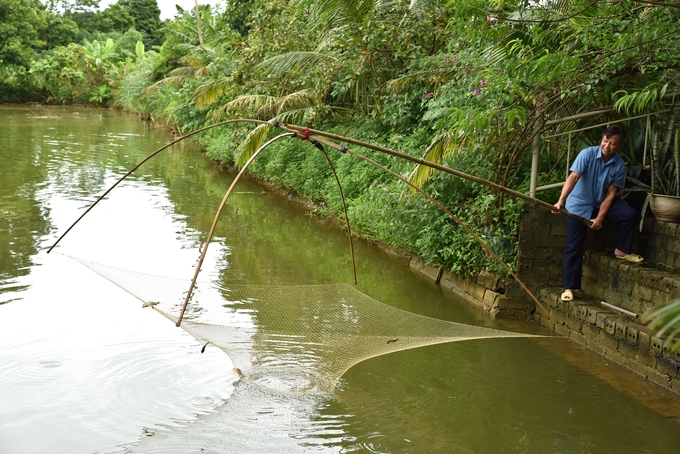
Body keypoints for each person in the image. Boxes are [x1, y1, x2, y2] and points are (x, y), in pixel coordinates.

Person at [553, 125, 642, 302]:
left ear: (619, 146)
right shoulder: (586, 154)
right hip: (579, 204)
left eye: (612, 143)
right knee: (574, 246)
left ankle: (622, 250)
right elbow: (573, 177)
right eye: (605, 141)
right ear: (602, 139)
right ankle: (569, 287)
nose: (607, 146)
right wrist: (561, 201)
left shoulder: (619, 164)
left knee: (630, 215)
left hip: (600, 202)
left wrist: (600, 218)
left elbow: (611, 193)